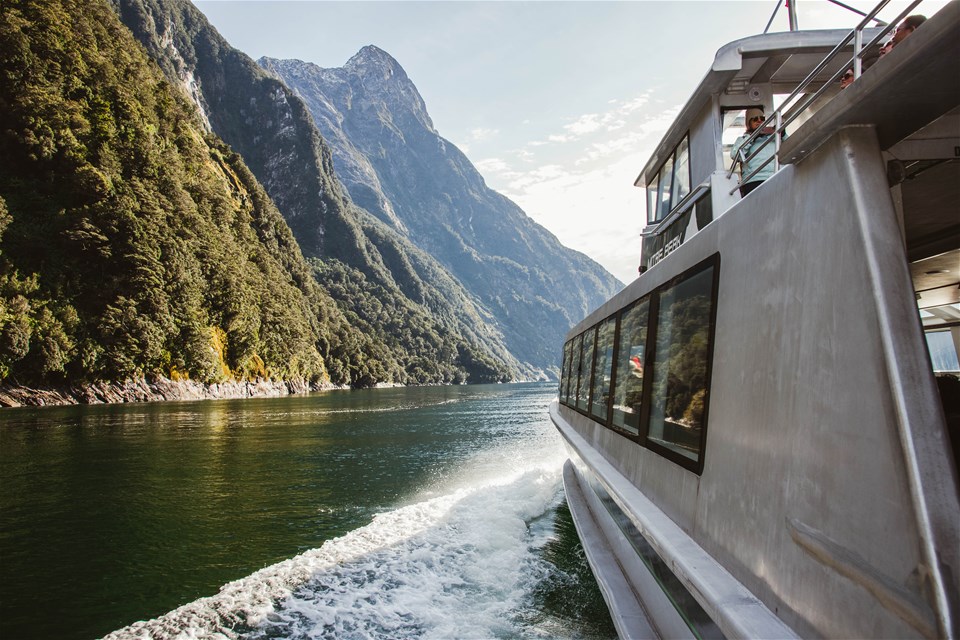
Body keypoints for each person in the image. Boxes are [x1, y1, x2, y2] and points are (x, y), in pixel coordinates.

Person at [731, 107, 781, 197]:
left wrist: (783, 134)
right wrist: (752, 138)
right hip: (754, 180)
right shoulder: (743, 140)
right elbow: (735, 155)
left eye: (762, 119)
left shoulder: (774, 137)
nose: (759, 121)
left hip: (776, 175)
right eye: (755, 119)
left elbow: (791, 146)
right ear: (748, 123)